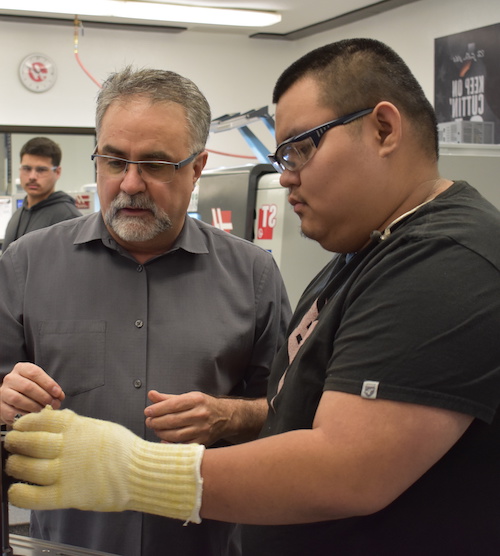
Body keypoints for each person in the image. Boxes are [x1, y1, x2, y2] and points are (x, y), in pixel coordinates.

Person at [5, 38, 500, 556]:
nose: (285, 175)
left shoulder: (443, 262)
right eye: (113, 160)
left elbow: (348, 469)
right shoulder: (362, 257)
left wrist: (132, 468)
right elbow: (292, 409)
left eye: (301, 148)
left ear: (383, 129)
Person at [0, 67, 291, 556]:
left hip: (207, 543)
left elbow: (291, 415)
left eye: (155, 164)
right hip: (68, 545)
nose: (130, 183)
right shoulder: (25, 264)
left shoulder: (254, 276)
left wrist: (229, 415)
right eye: (114, 161)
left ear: (197, 167)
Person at [2, 137, 82, 252]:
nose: (32, 177)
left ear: (57, 172)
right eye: (26, 168)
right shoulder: (18, 215)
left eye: (41, 170)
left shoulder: (69, 220)